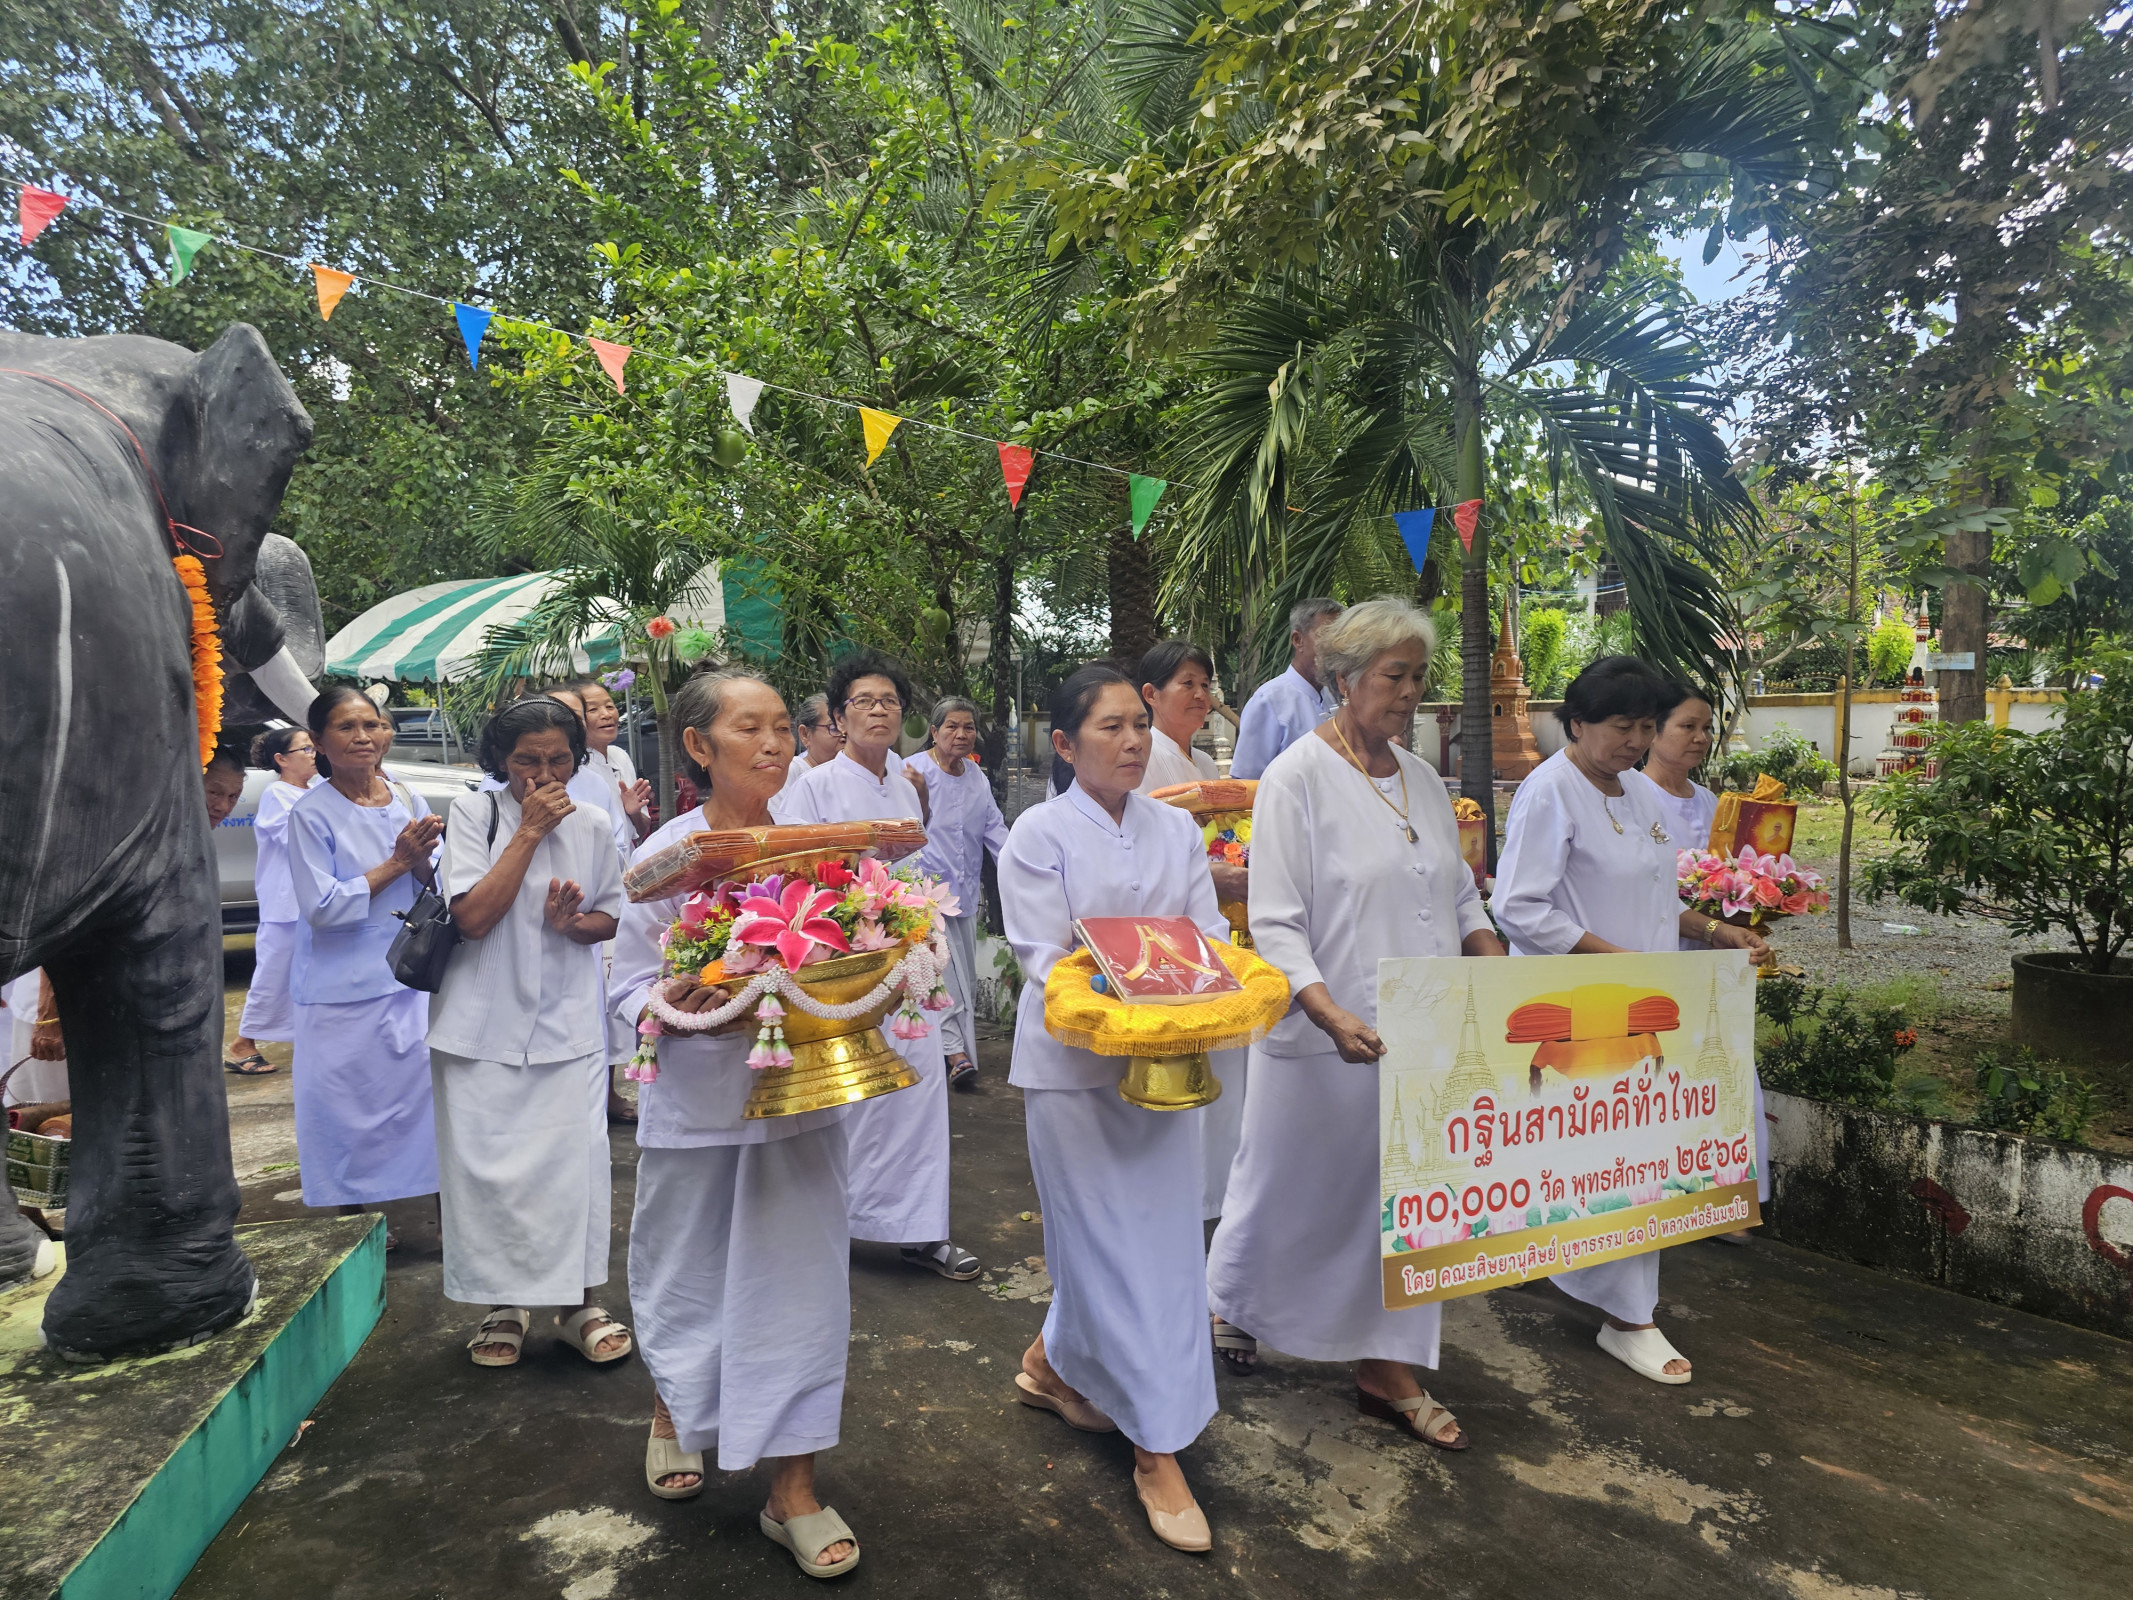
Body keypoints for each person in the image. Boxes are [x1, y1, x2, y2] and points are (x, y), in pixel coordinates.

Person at [1205, 598, 1501, 1440]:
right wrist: (1327, 1009)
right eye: (1392, 676)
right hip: (1322, 1035)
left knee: (1401, 1200)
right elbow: (1276, 917)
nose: (1409, 693)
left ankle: (1385, 1366)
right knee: (1286, 1190)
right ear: (1344, 679)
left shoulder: (1418, 777)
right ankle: (1234, 1301)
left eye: (1417, 677)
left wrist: (1495, 965)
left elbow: (1454, 891)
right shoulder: (1297, 776)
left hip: (1423, 1030)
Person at [615, 669, 861, 1578]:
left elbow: (869, 946)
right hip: (698, 1103)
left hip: (801, 1102)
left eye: (781, 730)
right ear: (696, 746)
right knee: (686, 1271)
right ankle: (674, 1405)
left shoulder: (820, 850)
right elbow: (626, 990)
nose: (771, 744)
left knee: (802, 1289)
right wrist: (672, 1003)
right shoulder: (665, 857)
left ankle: (792, 1485)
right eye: (747, 728)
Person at [1492, 656, 1772, 1385]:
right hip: (1579, 1013)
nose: (1635, 739)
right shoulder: (1548, 792)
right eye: (1622, 725)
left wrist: (1715, 934)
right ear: (1577, 722)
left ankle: (1616, 1304)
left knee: (1626, 1160)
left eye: (1646, 726)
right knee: (1607, 1161)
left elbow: (1658, 899)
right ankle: (1629, 1319)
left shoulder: (1641, 797)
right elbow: (1518, 906)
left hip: (1643, 1011)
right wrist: (1609, 958)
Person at [999, 664, 1227, 1553]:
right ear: (1063, 744)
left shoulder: (1176, 828)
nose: (1133, 741)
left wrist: (1189, 984)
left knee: (1165, 1247)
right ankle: (1155, 1448)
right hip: (1073, 1074)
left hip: (1168, 1067)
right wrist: (1136, 975)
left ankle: (1052, 1363)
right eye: (1109, 728)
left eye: (1139, 724)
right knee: (1104, 1248)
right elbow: (1041, 956)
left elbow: (1205, 936)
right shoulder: (1038, 832)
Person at [430, 695, 630, 1371]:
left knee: (573, 1170)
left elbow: (613, 916)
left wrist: (574, 926)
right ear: (499, 761)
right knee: (489, 1178)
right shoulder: (474, 815)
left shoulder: (597, 822)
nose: (542, 775)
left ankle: (579, 1304)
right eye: (526, 761)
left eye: (558, 760)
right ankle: (503, 1304)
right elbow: (472, 919)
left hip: (567, 1025)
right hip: (480, 1028)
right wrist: (529, 834)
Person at [772, 650, 977, 1282]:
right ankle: (839, 1223)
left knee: (918, 1090)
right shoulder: (813, 785)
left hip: (909, 957)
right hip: (846, 962)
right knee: (855, 1097)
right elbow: (794, 875)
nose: (879, 710)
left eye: (888, 700)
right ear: (837, 718)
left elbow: (914, 862)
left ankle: (922, 1231)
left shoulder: (905, 785)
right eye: (863, 701)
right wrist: (858, 869)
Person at [287, 687, 442, 1244]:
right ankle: (354, 1229)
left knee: (425, 1104)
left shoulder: (406, 795)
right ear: (321, 744)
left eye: (372, 725)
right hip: (340, 989)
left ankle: (446, 1218)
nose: (362, 737)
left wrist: (420, 862)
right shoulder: (311, 813)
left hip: (409, 977)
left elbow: (439, 883)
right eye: (346, 728)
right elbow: (323, 908)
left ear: (387, 733)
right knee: (345, 1110)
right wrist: (397, 861)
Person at [1627, 680, 1769, 1244]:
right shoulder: (1632, 798)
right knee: (1659, 1079)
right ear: (1651, 732)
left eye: (1706, 727)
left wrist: (1755, 920)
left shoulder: (1711, 804)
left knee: (1719, 1074)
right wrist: (1715, 926)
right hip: (1661, 955)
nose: (1700, 737)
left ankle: (1722, 1200)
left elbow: (1737, 879)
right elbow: (1653, 900)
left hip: (1714, 962)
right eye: (1687, 726)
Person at [1136, 639, 1252, 1220]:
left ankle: (1216, 1198)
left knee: (1223, 1074)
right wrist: (1216, 877)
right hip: (1166, 939)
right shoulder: (1145, 758)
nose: (1202, 696)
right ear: (1151, 695)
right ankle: (1187, 1200)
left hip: (1217, 932)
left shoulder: (1204, 765)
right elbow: (1143, 853)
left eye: (1207, 685)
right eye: (1188, 683)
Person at [905, 698, 1008, 1092]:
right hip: (923, 894)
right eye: (951, 727)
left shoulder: (977, 777)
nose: (961, 734)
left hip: (962, 891)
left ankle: (956, 1051)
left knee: (963, 975)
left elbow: (995, 830)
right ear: (934, 732)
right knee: (942, 975)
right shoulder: (913, 772)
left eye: (968, 727)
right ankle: (953, 1052)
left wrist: (1023, 867)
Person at [228, 727, 317, 1075]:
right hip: (285, 903)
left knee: (307, 973)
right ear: (282, 760)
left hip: (310, 902)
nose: (313, 754)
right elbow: (294, 839)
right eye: (305, 749)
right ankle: (242, 1045)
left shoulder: (316, 790)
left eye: (313, 748)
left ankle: (308, 1040)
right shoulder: (277, 794)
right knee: (273, 975)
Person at [1228, 598, 1343, 779]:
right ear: (1298, 640)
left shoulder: (1334, 697)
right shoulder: (1268, 701)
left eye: (1341, 638)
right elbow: (1246, 783)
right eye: (1326, 635)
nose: (1335, 646)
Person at [573, 678, 655, 845]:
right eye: (593, 709)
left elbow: (641, 831)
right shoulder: (573, 769)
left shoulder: (620, 756)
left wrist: (633, 812)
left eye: (610, 706)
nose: (607, 714)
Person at [780, 693, 843, 795]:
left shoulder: (854, 776)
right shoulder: (789, 772)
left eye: (848, 727)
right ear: (805, 735)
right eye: (834, 728)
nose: (844, 735)